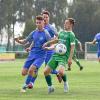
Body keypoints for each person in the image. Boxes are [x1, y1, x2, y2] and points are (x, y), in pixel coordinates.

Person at [15, 15, 51, 93]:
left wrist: (47, 45)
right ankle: (34, 74)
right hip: (32, 55)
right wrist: (18, 40)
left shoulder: (46, 33)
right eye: (37, 23)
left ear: (43, 23)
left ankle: (24, 86)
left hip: (41, 56)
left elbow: (51, 43)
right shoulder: (34, 32)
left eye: (39, 23)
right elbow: (25, 41)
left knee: (31, 69)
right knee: (23, 73)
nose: (38, 24)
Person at [42, 18, 76, 93]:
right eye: (64, 23)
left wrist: (70, 59)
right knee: (45, 72)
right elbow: (57, 41)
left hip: (64, 57)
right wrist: (48, 44)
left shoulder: (71, 35)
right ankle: (50, 87)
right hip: (55, 55)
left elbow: (72, 48)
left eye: (66, 23)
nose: (64, 24)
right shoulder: (61, 32)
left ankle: (65, 83)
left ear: (71, 25)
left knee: (60, 72)